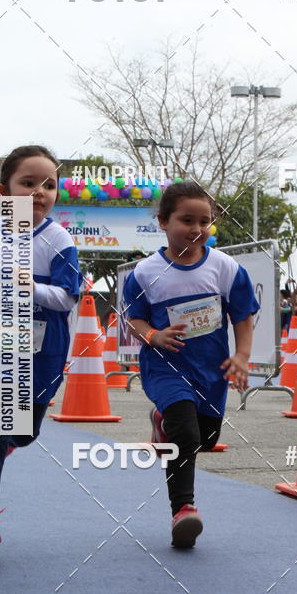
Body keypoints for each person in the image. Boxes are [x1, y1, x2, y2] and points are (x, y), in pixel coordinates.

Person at [0, 145, 83, 553]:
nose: (40, 192)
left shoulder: (58, 239)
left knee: (24, 431)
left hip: (43, 350)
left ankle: (8, 442)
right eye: (29, 183)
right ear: (5, 191)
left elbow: (68, 297)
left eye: (49, 185)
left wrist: (32, 288)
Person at [122, 179, 259, 549]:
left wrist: (242, 355)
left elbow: (243, 314)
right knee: (186, 433)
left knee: (206, 438)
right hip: (166, 366)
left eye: (205, 221)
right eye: (187, 220)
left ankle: (162, 423)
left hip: (210, 370)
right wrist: (154, 336)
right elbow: (133, 319)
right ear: (163, 221)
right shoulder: (146, 273)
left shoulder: (225, 267)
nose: (197, 229)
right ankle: (183, 509)